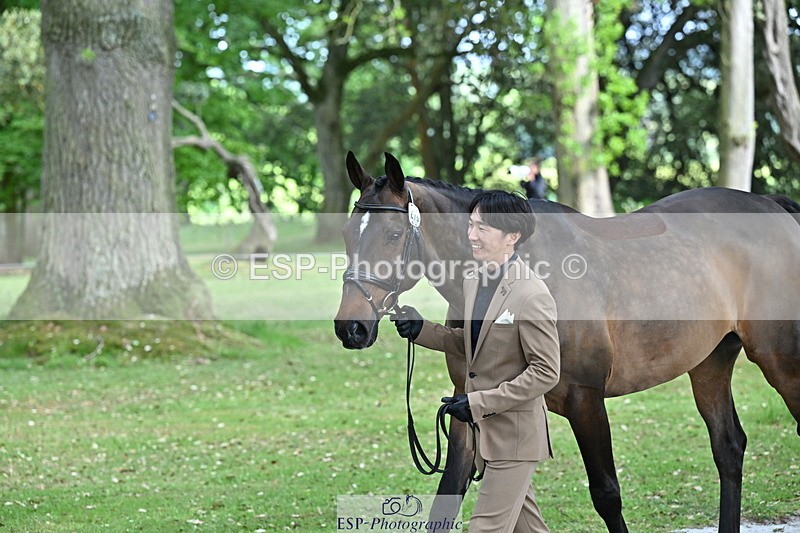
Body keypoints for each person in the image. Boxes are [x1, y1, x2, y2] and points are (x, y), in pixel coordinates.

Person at [391, 190, 560, 533]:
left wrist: (479, 403)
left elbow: (546, 372)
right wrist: (421, 330)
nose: (471, 235)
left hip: (514, 437)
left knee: (485, 527)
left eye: (483, 228)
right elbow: (470, 344)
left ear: (512, 236)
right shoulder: (473, 280)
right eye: (470, 225)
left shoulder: (532, 294)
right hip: (487, 435)